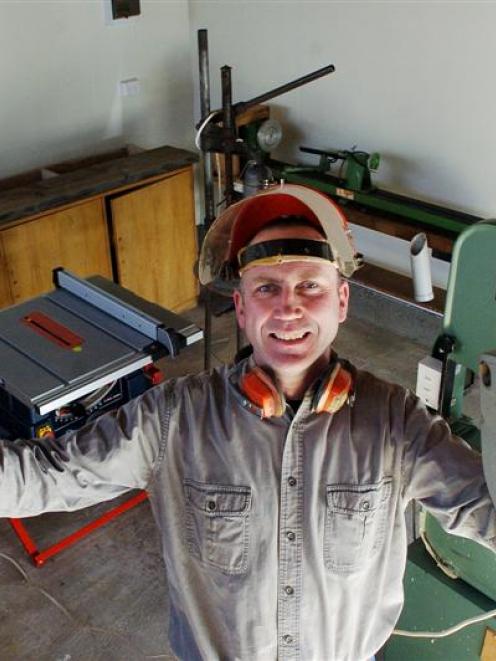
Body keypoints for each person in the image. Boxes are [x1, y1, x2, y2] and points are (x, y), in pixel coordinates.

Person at [0, 183, 495, 661]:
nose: (289, 306)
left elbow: (484, 508)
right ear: (240, 307)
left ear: (341, 302)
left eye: (309, 285)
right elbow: (45, 477)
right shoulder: (171, 419)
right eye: (266, 287)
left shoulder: (395, 423)